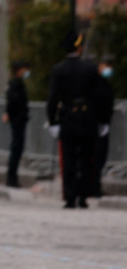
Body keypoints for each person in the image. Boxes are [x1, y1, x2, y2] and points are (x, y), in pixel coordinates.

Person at [48, 31, 106, 209]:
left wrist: (53, 122)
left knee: (69, 159)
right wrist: (103, 120)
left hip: (68, 118)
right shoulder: (90, 68)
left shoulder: (58, 69)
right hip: (88, 118)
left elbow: (53, 99)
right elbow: (100, 96)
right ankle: (83, 195)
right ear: (79, 47)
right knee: (87, 158)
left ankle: (70, 196)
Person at [92, 59, 115, 198]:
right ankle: (93, 187)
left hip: (103, 124)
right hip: (96, 125)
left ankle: (95, 186)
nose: (109, 70)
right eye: (106, 66)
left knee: (100, 158)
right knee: (96, 157)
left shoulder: (104, 84)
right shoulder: (96, 84)